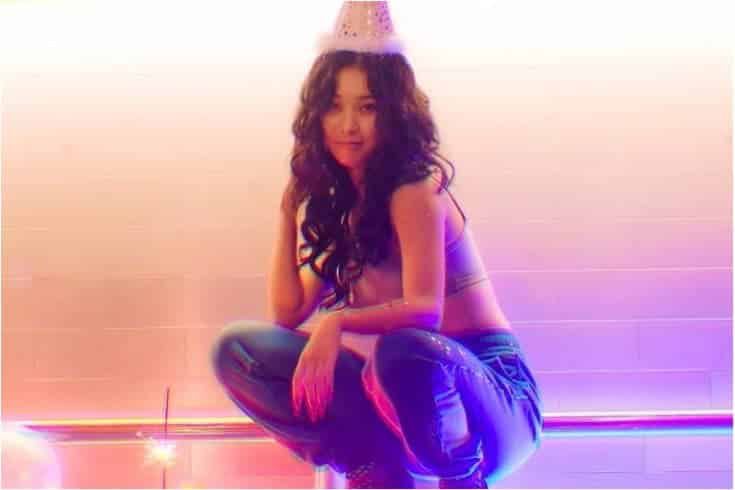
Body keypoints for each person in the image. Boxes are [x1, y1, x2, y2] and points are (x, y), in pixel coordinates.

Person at [211, 2, 544, 488]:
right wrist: (287, 213)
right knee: (238, 351)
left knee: (405, 351)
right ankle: (369, 462)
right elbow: (286, 312)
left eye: (366, 107)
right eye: (335, 106)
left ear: (393, 114)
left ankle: (461, 478)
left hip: (489, 399)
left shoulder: (414, 189)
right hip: (400, 406)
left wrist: (337, 323)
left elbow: (424, 311)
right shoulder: (343, 206)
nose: (348, 125)